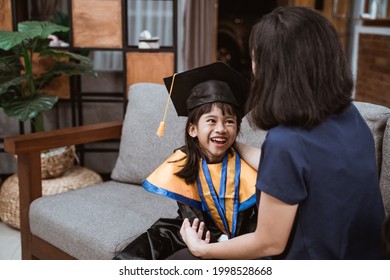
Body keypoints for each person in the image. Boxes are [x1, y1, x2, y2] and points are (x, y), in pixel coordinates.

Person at [180, 6, 386, 260]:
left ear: (274, 69)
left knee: (177, 261)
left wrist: (203, 249)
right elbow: (300, 171)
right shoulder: (348, 116)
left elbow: (269, 244)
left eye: (255, 58)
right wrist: (235, 146)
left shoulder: (286, 141)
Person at [113, 61, 258, 260]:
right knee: (154, 238)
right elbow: (191, 218)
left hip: (242, 236)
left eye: (229, 121)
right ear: (192, 130)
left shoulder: (247, 167)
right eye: (211, 120)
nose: (221, 128)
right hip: (194, 227)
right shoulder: (182, 161)